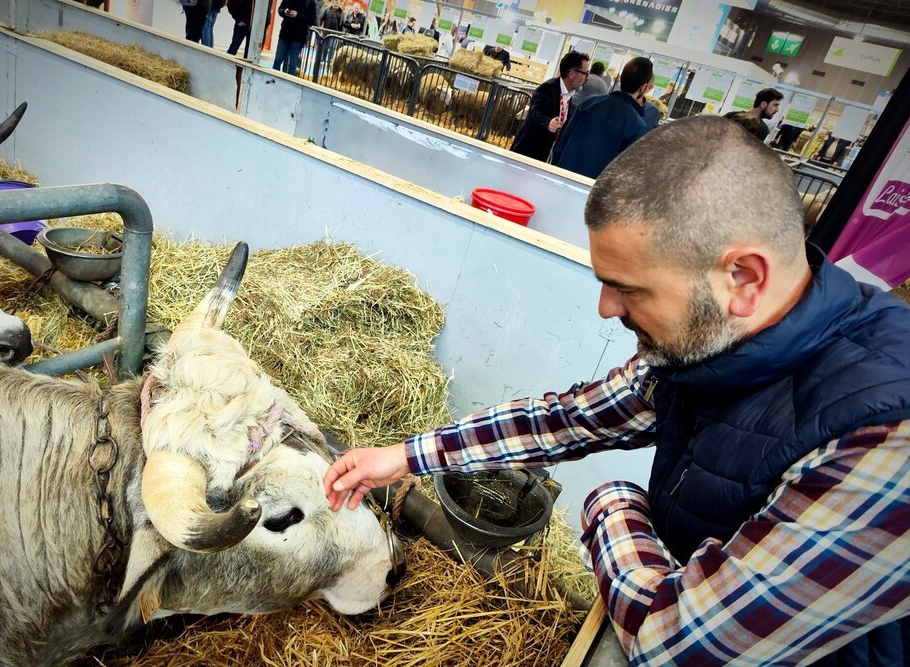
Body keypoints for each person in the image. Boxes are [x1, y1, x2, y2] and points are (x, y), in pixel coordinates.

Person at [324, 115, 910, 666]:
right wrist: (406, 457)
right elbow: (567, 419)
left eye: (626, 288)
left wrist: (613, 505)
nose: (606, 309)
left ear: (744, 278)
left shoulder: (884, 434)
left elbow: (678, 645)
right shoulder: (712, 348)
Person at [551, 56, 653, 179]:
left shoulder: (590, 103)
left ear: (621, 78)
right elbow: (624, 173)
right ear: (643, 87)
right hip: (592, 190)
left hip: (562, 176)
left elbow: (562, 141)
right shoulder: (637, 126)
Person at [509, 51, 590, 162]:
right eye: (585, 73)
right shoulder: (547, 88)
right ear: (572, 74)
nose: (587, 78)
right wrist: (548, 122)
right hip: (528, 153)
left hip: (546, 153)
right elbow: (534, 113)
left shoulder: (569, 95)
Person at [273, 0, 317, 75]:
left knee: (292, 64)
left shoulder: (310, 2)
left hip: (298, 37)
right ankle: (272, 81)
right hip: (285, 34)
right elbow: (280, 9)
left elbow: (312, 20)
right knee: (277, 60)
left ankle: (288, 85)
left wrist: (298, 15)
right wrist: (284, 12)